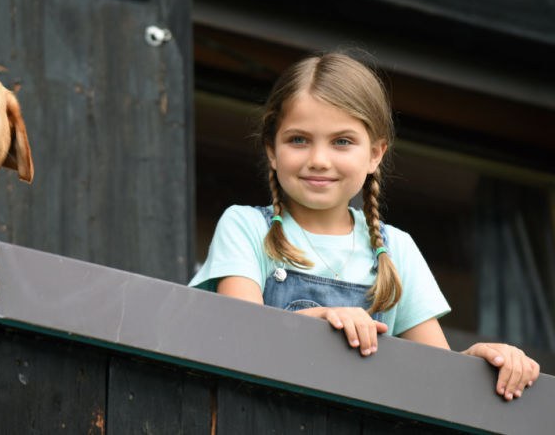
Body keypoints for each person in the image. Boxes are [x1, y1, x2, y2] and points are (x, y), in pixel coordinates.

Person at [189, 51, 540, 401]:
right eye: (298, 140)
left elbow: (437, 376)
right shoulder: (246, 226)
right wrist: (320, 320)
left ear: (375, 154)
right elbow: (240, 332)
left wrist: (481, 363)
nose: (319, 160)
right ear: (271, 149)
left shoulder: (396, 248)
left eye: (342, 141)